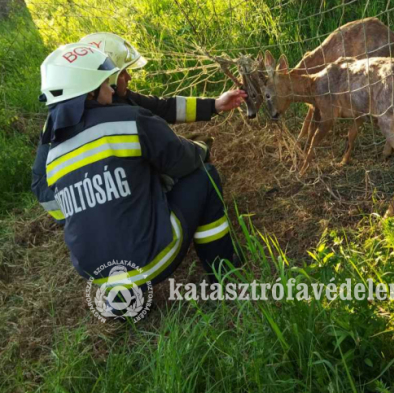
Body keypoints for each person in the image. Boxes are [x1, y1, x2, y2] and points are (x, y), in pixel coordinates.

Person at [31, 37, 246, 291]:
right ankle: (224, 272)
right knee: (205, 176)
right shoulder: (127, 120)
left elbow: (161, 107)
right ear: (90, 90)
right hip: (151, 260)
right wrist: (201, 148)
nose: (115, 86)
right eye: (110, 80)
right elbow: (181, 158)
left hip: (101, 278)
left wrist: (89, 212)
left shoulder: (52, 152)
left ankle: (122, 302)